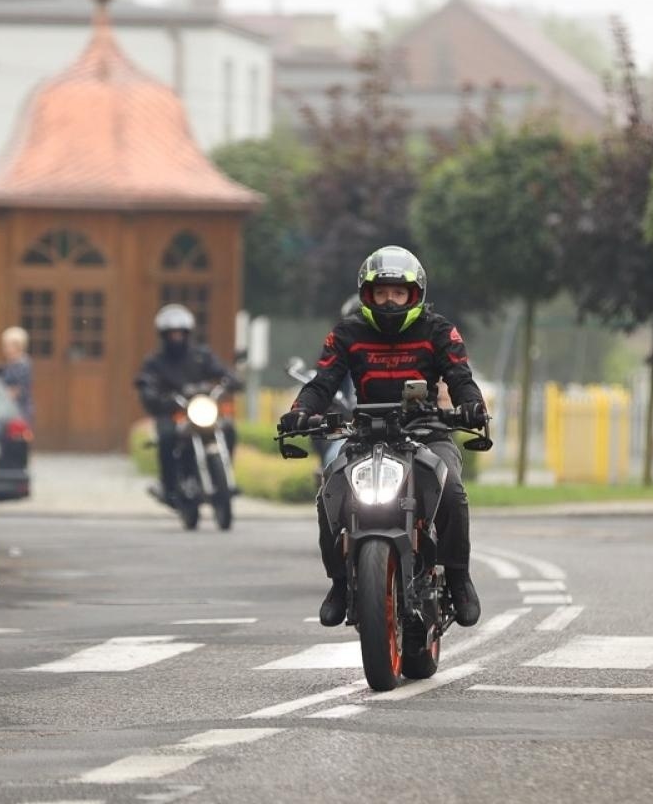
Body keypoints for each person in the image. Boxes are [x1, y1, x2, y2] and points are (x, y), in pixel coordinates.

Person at [279, 246, 489, 627]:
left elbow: (460, 376)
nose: (389, 300)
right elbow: (323, 381)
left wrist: (471, 405)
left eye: (397, 292)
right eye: (381, 292)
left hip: (427, 432)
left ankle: (459, 578)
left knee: (453, 488)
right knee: (330, 490)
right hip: (366, 434)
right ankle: (339, 583)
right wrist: (299, 412)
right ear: (367, 295)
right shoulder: (347, 332)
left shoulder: (438, 329)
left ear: (415, 294)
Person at [135, 304, 239, 507]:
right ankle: (169, 486)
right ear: (164, 335)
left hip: (201, 408)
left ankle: (224, 477)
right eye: (172, 333)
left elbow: (221, 371)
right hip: (172, 411)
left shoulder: (202, 355)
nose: (177, 337)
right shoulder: (155, 362)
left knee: (228, 429)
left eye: (180, 333)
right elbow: (146, 381)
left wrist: (231, 379)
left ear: (187, 333)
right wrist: (150, 392)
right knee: (166, 437)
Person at [0, 325, 34, 424]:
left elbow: (18, 390)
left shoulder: (23, 364)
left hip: (18, 410)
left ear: (18, 346)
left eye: (7, 345)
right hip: (8, 409)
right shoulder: (10, 363)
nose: (5, 349)